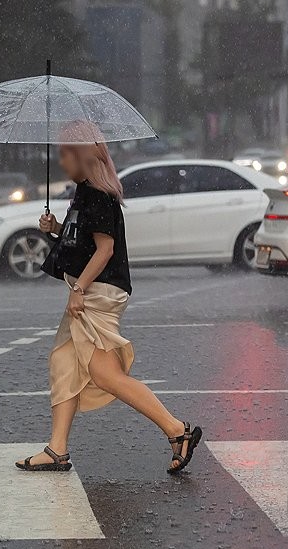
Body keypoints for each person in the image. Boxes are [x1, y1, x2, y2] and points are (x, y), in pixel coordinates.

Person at [15, 126, 203, 475]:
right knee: (64, 365)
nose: (61, 161)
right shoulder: (85, 193)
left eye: (65, 155)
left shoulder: (98, 195)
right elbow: (85, 239)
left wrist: (79, 289)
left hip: (97, 293)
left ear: (81, 155)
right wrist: (56, 227)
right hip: (92, 291)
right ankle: (57, 449)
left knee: (105, 374)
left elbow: (106, 249)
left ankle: (178, 430)